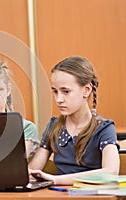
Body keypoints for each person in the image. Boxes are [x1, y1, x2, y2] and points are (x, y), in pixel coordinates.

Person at [28, 56, 120, 185]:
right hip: (59, 195)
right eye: (55, 91)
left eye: (66, 91)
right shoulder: (54, 126)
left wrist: (55, 180)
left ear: (86, 90)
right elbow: (32, 171)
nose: (58, 99)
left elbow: (111, 171)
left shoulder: (104, 128)